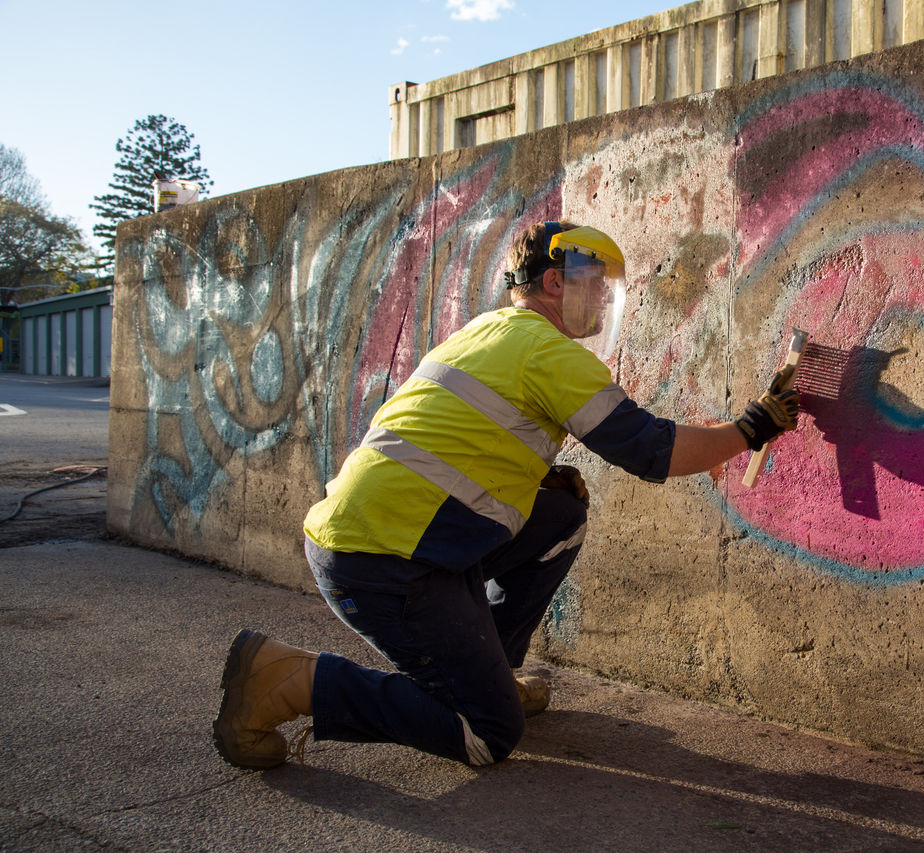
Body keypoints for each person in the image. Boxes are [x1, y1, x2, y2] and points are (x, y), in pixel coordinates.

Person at [213, 221, 800, 770]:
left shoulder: (485, 332)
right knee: (487, 733)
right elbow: (653, 451)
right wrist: (750, 429)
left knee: (559, 513)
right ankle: (286, 679)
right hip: (387, 561)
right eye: (596, 286)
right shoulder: (549, 353)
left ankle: (489, 667)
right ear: (554, 281)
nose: (601, 302)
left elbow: (461, 442)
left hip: (384, 537)